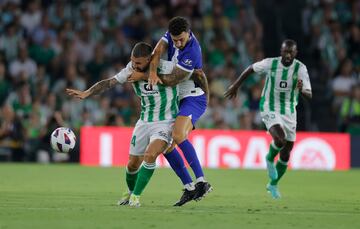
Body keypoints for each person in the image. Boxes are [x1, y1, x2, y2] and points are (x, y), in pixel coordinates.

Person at [66, 42, 194, 207]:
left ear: (149, 60)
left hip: (166, 123)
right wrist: (87, 93)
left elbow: (191, 73)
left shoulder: (168, 68)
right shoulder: (130, 70)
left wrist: (203, 95)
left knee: (150, 155)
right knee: (132, 164)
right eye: (133, 61)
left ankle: (136, 197)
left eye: (139, 63)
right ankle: (129, 192)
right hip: (144, 122)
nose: (135, 65)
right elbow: (109, 82)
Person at [131, 16, 212, 206]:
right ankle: (190, 187)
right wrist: (151, 72)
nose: (177, 43)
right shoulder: (173, 34)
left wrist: (143, 75)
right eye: (174, 40)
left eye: (181, 39)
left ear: (189, 33)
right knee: (167, 146)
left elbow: (171, 80)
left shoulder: (193, 51)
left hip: (192, 96)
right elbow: (157, 51)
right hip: (178, 98)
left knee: (177, 134)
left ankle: (201, 182)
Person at [224, 39, 312, 199]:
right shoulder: (271, 63)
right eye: (285, 51)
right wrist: (235, 85)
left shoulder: (300, 69)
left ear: (295, 53)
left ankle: (273, 184)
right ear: (281, 51)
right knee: (280, 139)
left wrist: (302, 90)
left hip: (289, 111)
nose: (287, 55)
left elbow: (309, 94)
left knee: (286, 153)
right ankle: (269, 158)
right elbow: (251, 69)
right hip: (269, 106)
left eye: (291, 52)